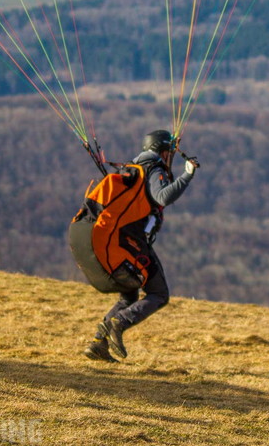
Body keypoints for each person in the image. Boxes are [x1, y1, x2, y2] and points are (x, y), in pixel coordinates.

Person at [84, 129, 198, 362]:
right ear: (162, 152)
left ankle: (98, 343)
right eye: (169, 152)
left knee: (129, 296)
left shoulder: (131, 168)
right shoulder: (153, 169)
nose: (170, 157)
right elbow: (163, 197)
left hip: (119, 241)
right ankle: (120, 322)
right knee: (158, 293)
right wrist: (187, 175)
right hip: (135, 244)